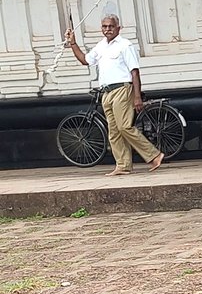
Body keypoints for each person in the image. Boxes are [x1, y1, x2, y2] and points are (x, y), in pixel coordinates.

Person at [64, 15, 165, 177]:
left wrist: (137, 96)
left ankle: (154, 155)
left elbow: (134, 72)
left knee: (124, 126)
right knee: (114, 131)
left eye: (111, 26)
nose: (107, 29)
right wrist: (73, 43)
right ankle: (123, 165)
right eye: (104, 26)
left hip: (122, 89)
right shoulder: (101, 46)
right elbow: (85, 60)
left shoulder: (125, 45)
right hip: (106, 92)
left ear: (118, 28)